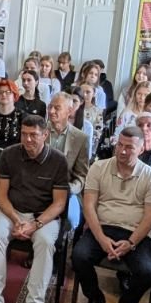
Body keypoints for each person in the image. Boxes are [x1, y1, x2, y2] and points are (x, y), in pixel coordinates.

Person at [0, 115, 70, 303]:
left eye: (33, 135)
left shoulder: (58, 160)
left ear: (45, 135)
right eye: (24, 134)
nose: (27, 139)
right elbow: (1, 194)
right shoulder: (9, 154)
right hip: (13, 211)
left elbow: (59, 203)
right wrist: (16, 219)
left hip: (43, 216)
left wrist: (35, 224)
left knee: (45, 243)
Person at [73, 126, 151, 303]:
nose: (122, 151)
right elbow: (89, 206)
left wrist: (131, 243)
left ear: (142, 149)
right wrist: (101, 238)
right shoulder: (98, 168)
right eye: (119, 145)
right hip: (102, 227)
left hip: (135, 233)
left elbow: (150, 216)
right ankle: (94, 298)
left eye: (129, 147)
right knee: (79, 256)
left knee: (149, 271)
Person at [46, 92, 93, 229]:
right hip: (40, 186)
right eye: (50, 107)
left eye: (57, 108)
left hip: (65, 188)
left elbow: (81, 176)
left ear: (69, 111)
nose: (51, 111)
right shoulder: (39, 131)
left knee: (72, 219)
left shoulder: (80, 138)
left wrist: (70, 189)